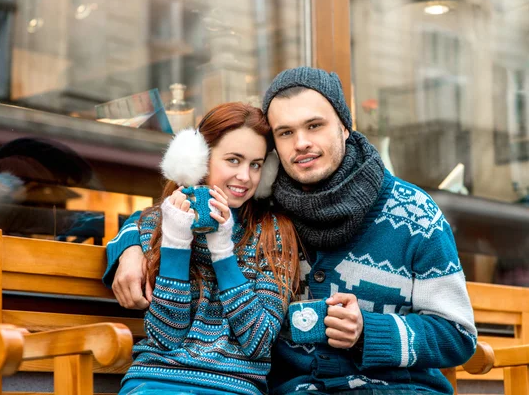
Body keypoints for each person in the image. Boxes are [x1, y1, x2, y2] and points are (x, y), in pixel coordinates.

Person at [106, 67, 477, 395]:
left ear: (345, 127)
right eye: (285, 132)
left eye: (314, 126)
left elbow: (457, 335)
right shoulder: (265, 210)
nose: (301, 142)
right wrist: (129, 250)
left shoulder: (414, 212)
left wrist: (369, 331)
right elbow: (162, 217)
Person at [106, 102, 300, 395]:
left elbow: (258, 342)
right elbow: (166, 337)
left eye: (256, 164)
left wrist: (223, 252)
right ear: (199, 159)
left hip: (233, 386)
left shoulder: (273, 233)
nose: (245, 177)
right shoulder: (159, 223)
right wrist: (175, 243)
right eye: (233, 160)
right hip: (155, 381)